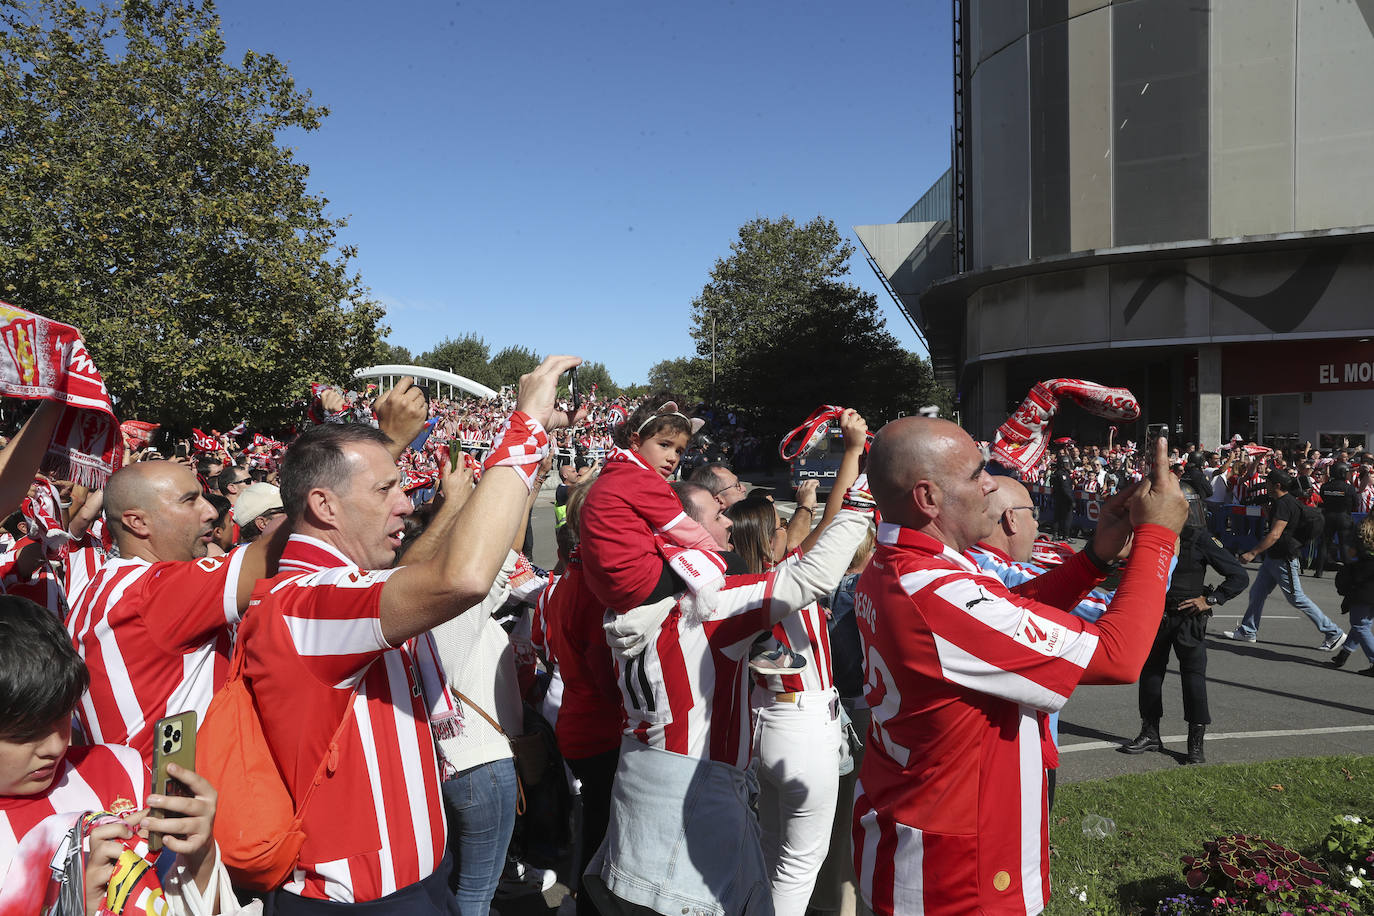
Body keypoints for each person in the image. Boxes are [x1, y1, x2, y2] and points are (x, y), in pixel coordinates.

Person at [236, 361, 579, 911]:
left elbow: (412, 578)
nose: (405, 502)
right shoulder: (305, 600)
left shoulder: (333, 590)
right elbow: (461, 578)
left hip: (413, 882)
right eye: (386, 488)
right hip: (363, 898)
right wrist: (528, 422)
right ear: (325, 506)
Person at [852, 421, 1185, 916]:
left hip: (918, 831)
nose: (990, 484)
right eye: (976, 473)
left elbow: (1004, 611)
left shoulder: (900, 564)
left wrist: (1094, 559)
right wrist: (1158, 537)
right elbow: (1118, 657)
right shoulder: (935, 594)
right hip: (956, 871)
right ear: (928, 497)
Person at [583, 483, 874, 916]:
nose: (727, 524)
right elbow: (810, 577)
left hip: (638, 793)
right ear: (679, 532)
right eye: (716, 516)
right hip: (698, 795)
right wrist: (860, 503)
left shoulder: (622, 608)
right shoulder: (703, 608)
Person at [0, 594, 234, 915]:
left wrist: (201, 855)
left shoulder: (122, 769)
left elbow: (198, 905)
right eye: (26, 734)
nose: (54, 746)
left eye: (62, 716)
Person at [725, 408, 866, 916]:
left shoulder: (733, 588)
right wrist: (852, 450)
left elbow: (819, 519)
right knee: (803, 857)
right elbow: (833, 520)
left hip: (763, 722)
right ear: (767, 541)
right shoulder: (780, 581)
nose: (791, 529)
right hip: (802, 721)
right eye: (781, 526)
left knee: (769, 846)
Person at [1120, 482, 1248, 764]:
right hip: (1155, 615)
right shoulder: (1153, 535)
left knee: (1193, 679)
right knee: (1151, 675)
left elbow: (1238, 576)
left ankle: (1195, 743)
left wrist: (1211, 600)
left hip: (1188, 619)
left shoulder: (1199, 538)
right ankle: (1150, 733)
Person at [579, 399, 721, 616]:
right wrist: (719, 554)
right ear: (635, 441)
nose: (672, 457)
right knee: (733, 563)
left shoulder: (615, 471)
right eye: (664, 445)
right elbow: (690, 534)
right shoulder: (641, 478)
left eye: (679, 451)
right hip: (637, 583)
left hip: (606, 589)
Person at [1223, 470, 1347, 651]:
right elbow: (1279, 527)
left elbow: (1275, 534)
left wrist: (1252, 553)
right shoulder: (1282, 503)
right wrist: (1267, 512)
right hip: (1274, 557)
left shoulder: (1284, 504)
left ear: (1277, 486)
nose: (1265, 485)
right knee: (1257, 593)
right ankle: (1248, 631)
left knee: (1297, 598)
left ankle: (1334, 633)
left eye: (1268, 483)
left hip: (1284, 557)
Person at [1330, 516, 1374, 674]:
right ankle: (1344, 653)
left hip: (1364, 581)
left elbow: (1351, 552)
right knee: (1364, 622)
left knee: (1359, 624)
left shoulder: (1363, 529)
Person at [1315, 462, 1359, 578]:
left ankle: (1318, 571)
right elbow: (1356, 503)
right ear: (1342, 473)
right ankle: (1349, 572)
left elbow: (1322, 500)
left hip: (1328, 517)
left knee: (1324, 544)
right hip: (1343, 517)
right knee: (1344, 544)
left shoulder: (1325, 486)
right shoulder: (1349, 488)